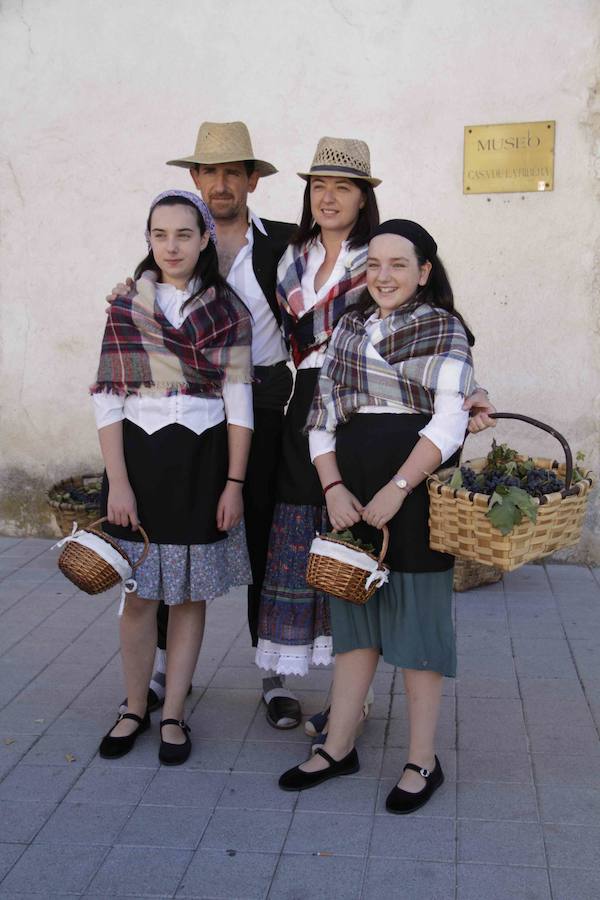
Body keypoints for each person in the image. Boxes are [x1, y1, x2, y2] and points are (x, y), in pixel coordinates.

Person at [278, 219, 475, 814]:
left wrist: (399, 487)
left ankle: (423, 759)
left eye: (398, 265)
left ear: (424, 272)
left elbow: (449, 421)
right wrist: (333, 486)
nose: (383, 276)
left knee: (417, 629)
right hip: (351, 490)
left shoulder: (445, 330)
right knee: (352, 623)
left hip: (412, 491)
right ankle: (339, 746)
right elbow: (321, 419)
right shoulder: (346, 328)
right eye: (375, 264)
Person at [109, 122, 298, 727]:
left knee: (259, 535)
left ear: (252, 181)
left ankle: (271, 669)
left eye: (232, 172)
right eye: (209, 172)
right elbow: (140, 325)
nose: (220, 183)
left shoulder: (287, 245)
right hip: (196, 414)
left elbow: (345, 293)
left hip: (265, 402)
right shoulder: (173, 248)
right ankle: (163, 668)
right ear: (195, 179)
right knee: (168, 536)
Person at [92, 190, 253, 765]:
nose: (172, 246)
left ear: (205, 238)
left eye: (184, 234)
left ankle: (176, 711)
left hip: (204, 462)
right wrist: (119, 482)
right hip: (144, 461)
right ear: (149, 241)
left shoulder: (227, 312)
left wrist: (234, 483)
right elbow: (108, 402)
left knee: (187, 596)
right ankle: (135, 705)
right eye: (160, 235)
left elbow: (239, 405)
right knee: (140, 595)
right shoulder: (127, 310)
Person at [254, 137, 382, 704]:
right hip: (304, 399)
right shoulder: (291, 256)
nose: (328, 197)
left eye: (343, 187)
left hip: (358, 402)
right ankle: (294, 674)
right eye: (319, 186)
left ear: (362, 198)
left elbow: (433, 316)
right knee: (302, 531)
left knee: (350, 536)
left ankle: (351, 697)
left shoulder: (378, 254)